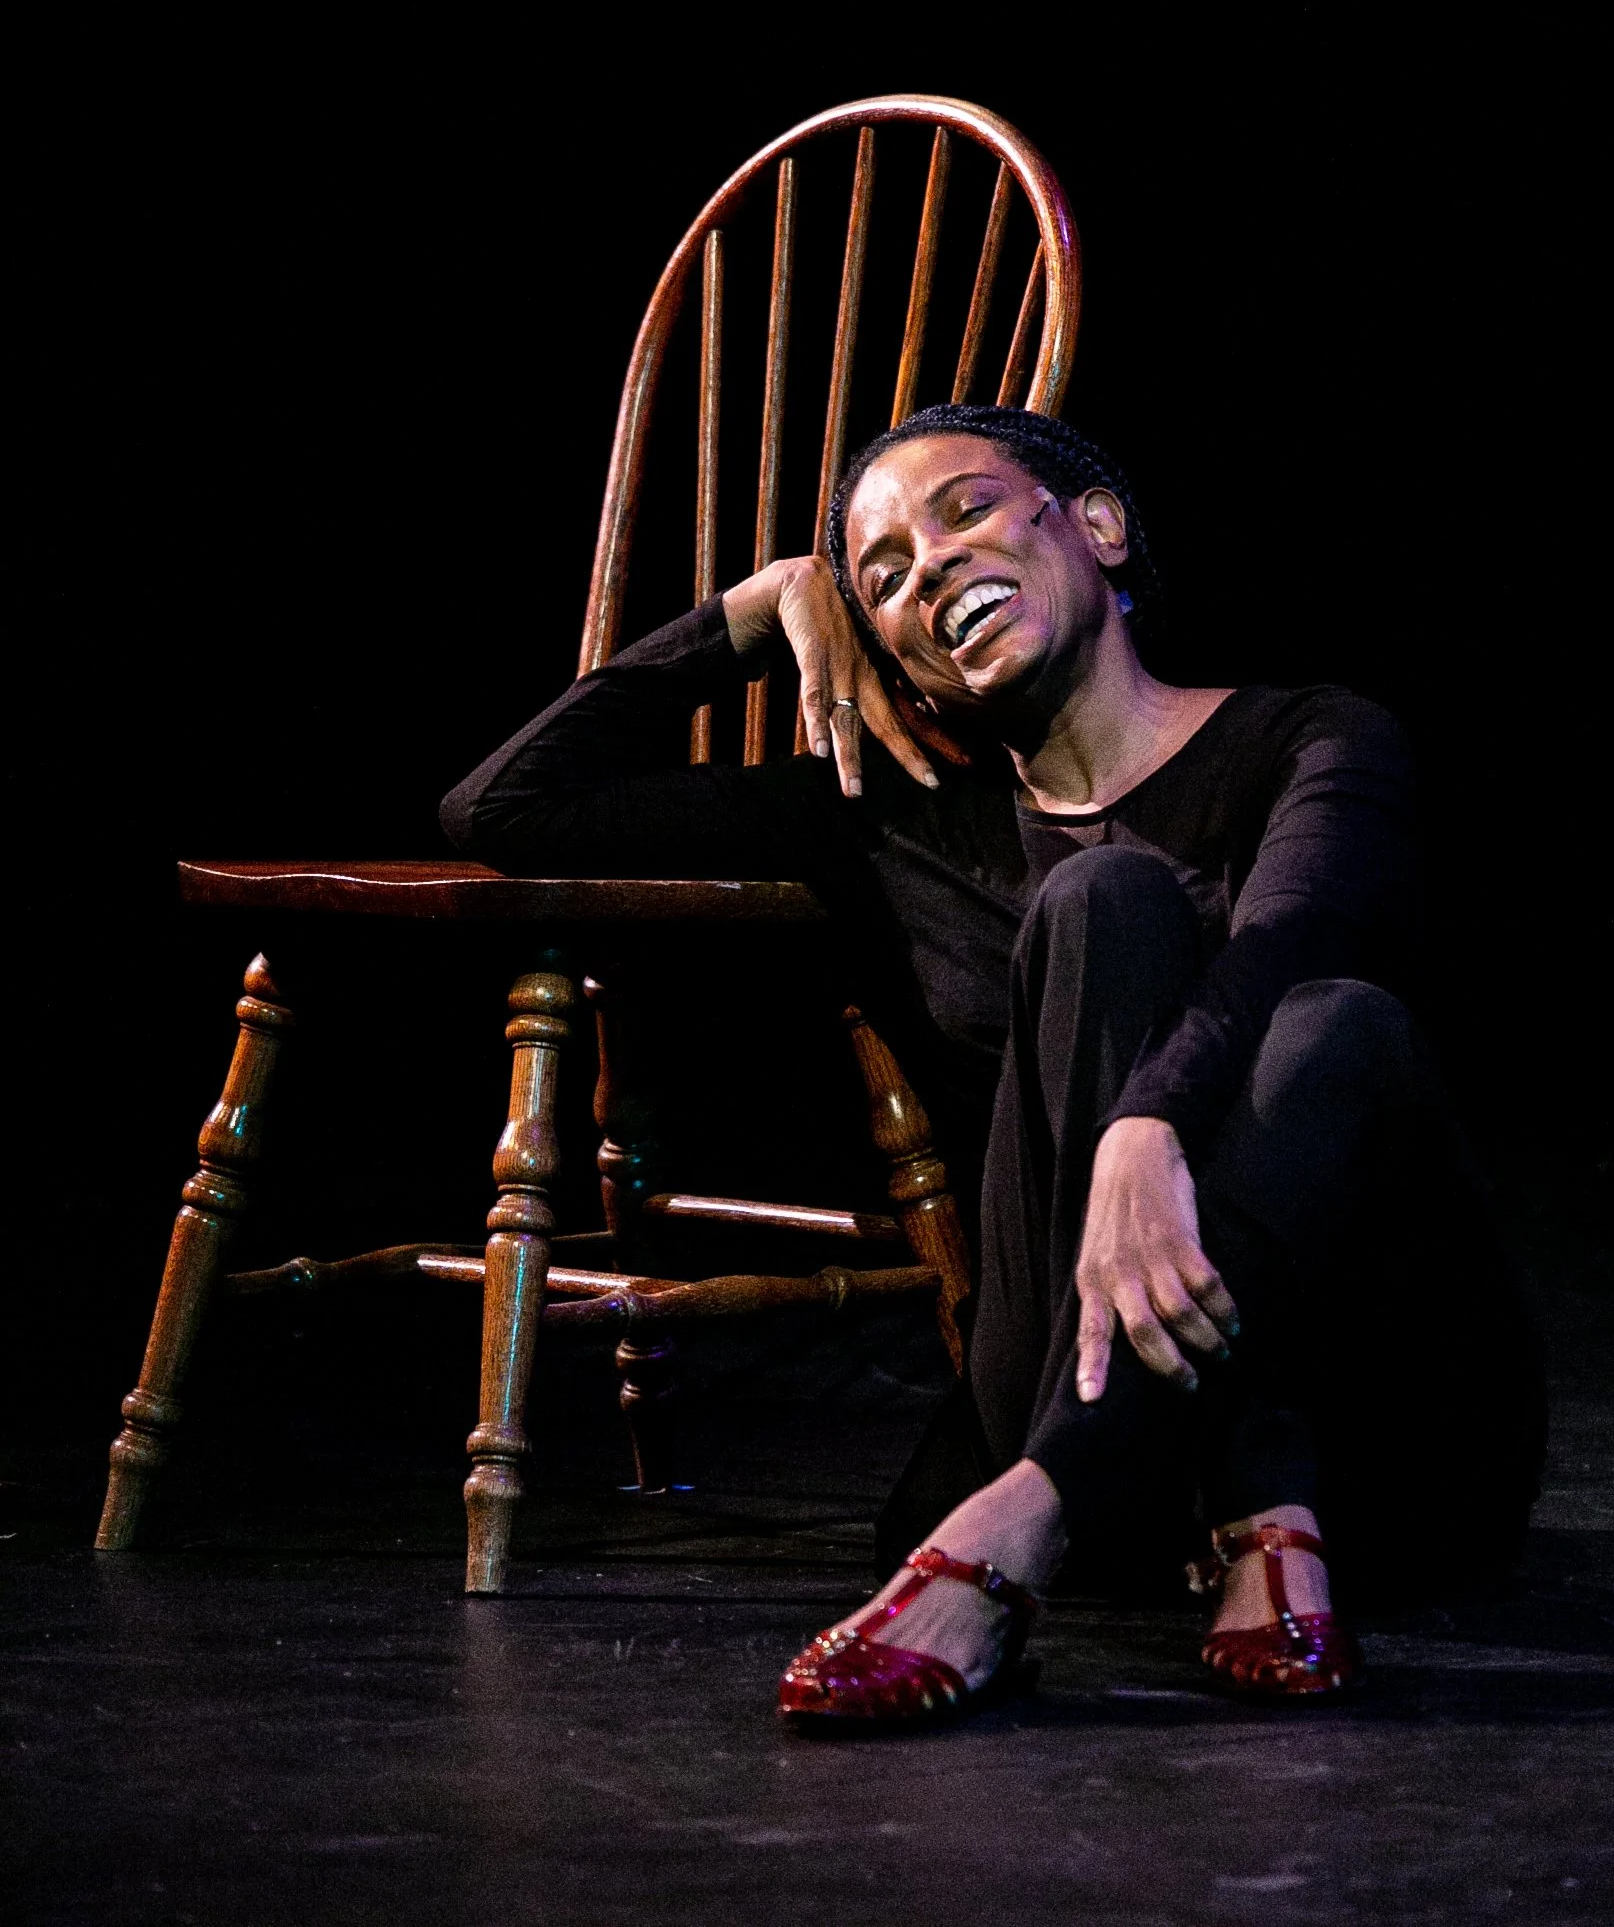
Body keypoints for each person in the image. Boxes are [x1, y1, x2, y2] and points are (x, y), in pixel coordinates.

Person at [441, 404, 1545, 1723]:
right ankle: (1223, 1502)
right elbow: (497, 811)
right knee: (1104, 905)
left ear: (1098, 525)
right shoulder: (887, 819)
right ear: (885, 650)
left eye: (963, 509)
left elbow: (1291, 937)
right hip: (1077, 1398)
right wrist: (761, 605)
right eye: (883, 574)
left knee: (1338, 1025)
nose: (930, 569)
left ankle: (1040, 1521)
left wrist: (1147, 1130)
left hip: (1386, 1458)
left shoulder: (1316, 739)